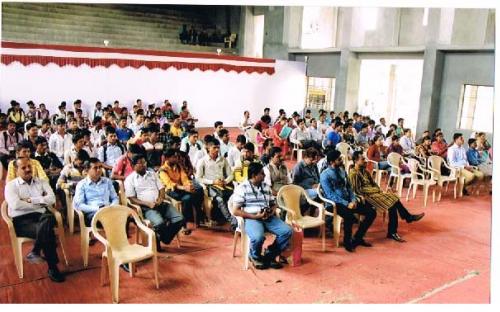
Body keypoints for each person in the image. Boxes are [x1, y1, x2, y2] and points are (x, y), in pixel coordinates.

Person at [4, 157, 65, 282]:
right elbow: (16, 205)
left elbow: (52, 199)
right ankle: (52, 267)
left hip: (41, 217)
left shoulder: (41, 181)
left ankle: (36, 251)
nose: (28, 169)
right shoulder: (11, 186)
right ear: (16, 170)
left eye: (29, 166)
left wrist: (32, 200)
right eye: (23, 167)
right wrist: (40, 203)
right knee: (47, 229)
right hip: (22, 221)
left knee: (47, 219)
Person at [349, 151, 425, 242]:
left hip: (375, 194)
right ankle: (402, 223)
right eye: (362, 159)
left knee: (393, 200)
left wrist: (378, 190)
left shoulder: (365, 171)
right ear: (355, 161)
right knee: (393, 201)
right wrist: (374, 191)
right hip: (366, 197)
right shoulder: (353, 173)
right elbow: (356, 190)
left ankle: (396, 229)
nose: (365, 161)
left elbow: (374, 184)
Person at [232, 162, 292, 270]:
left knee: (287, 231)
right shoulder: (242, 188)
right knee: (257, 237)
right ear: (254, 175)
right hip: (251, 218)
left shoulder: (266, 187)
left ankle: (270, 254)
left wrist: (271, 211)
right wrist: (254, 216)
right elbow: (235, 211)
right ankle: (255, 256)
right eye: (262, 174)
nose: (264, 176)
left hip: (267, 217)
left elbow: (274, 204)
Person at [319, 150, 376, 252]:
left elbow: (349, 187)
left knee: (372, 212)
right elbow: (330, 195)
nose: (342, 160)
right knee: (349, 216)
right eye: (339, 159)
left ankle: (358, 237)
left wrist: (353, 200)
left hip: (349, 201)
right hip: (334, 204)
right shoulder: (325, 175)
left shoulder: (342, 170)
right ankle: (347, 242)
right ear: (332, 162)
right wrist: (346, 203)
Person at [125, 154, 184, 249]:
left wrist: (160, 198)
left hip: (160, 203)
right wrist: (147, 203)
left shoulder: (152, 174)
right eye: (140, 163)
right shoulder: (130, 179)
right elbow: (131, 198)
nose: (144, 165)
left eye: (144, 162)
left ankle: (164, 238)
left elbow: (161, 189)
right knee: (159, 223)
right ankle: (163, 238)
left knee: (179, 218)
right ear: (133, 166)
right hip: (146, 208)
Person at [159, 149, 203, 232]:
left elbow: (184, 178)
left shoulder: (178, 166)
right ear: (167, 158)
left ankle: (197, 218)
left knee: (198, 191)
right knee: (188, 198)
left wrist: (189, 186)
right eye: (174, 157)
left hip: (182, 189)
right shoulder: (163, 170)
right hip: (170, 191)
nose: (176, 159)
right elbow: (170, 184)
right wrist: (185, 188)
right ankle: (183, 225)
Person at [195, 139, 234, 227]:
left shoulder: (223, 159)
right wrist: (213, 182)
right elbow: (198, 178)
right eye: (214, 147)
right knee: (220, 199)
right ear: (208, 148)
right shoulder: (203, 161)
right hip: (210, 186)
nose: (217, 150)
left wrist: (226, 181)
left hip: (223, 185)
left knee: (235, 196)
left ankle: (238, 217)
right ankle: (232, 221)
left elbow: (231, 175)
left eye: (218, 147)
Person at [73, 158, 119, 226]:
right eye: (95, 168)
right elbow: (79, 205)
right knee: (108, 219)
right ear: (87, 170)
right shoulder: (81, 185)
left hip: (109, 209)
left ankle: (118, 236)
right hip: (93, 213)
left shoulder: (107, 181)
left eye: (100, 167)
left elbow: (115, 198)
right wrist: (97, 209)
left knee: (124, 216)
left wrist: (111, 207)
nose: (99, 170)